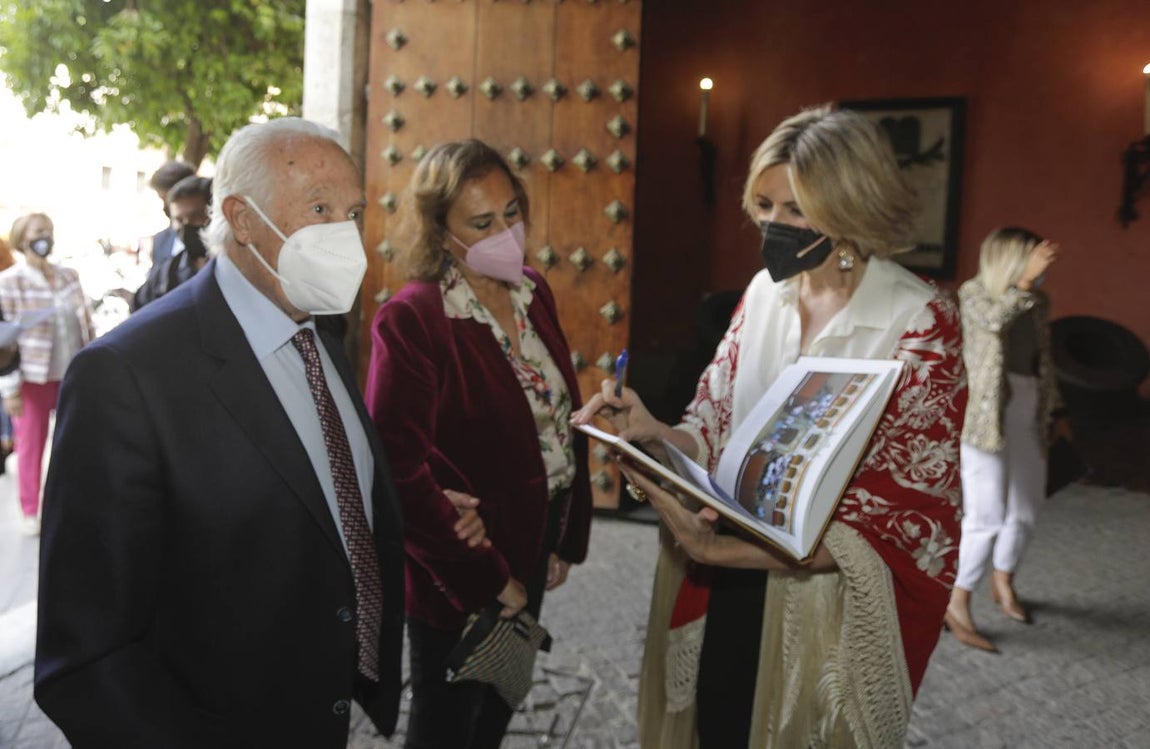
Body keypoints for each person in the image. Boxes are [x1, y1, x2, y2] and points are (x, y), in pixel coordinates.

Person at [34, 118, 484, 747]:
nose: (345, 236)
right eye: (319, 209)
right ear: (242, 220)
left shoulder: (322, 326)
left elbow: (315, 492)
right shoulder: (125, 376)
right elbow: (84, 659)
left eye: (352, 213)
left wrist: (415, 507)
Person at [574, 106, 967, 748]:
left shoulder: (917, 321)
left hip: (821, 608)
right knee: (719, 721)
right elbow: (712, 427)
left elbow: (910, 510)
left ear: (852, 207)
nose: (773, 227)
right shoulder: (762, 293)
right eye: (764, 205)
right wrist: (651, 431)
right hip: (729, 579)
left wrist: (720, 550)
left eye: (796, 209)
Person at [365, 139, 593, 749]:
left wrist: (563, 535)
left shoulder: (531, 292)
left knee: (496, 707)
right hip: (458, 562)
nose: (506, 232)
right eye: (483, 223)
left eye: (512, 212)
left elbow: (553, 415)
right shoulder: (414, 318)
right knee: (445, 726)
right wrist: (489, 577)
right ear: (442, 232)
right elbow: (396, 469)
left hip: (533, 538)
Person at [945, 228, 1063, 652]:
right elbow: (994, 324)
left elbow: (1041, 361)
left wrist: (1053, 409)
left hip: (1027, 409)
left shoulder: (1038, 302)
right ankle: (957, 601)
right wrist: (1025, 283)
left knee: (1026, 509)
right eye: (1034, 259)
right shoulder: (975, 294)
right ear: (1011, 260)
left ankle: (1004, 583)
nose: (1043, 270)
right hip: (984, 418)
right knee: (987, 515)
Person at [0, 213, 93, 536]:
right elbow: (3, 340)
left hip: (72, 373)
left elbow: (86, 324)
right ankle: (30, 508)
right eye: (39, 232)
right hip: (32, 378)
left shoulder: (68, 276)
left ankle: (71, 504)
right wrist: (9, 388)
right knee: (31, 444)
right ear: (22, 238)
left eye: (50, 231)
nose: (46, 237)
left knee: (73, 444)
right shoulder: (9, 281)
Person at [132, 175, 213, 309]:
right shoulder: (168, 273)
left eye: (196, 216)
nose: (187, 226)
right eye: (179, 220)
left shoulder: (237, 268)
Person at [145, 159, 196, 269]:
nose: (164, 207)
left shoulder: (213, 240)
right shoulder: (160, 241)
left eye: (167, 200)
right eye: (162, 199)